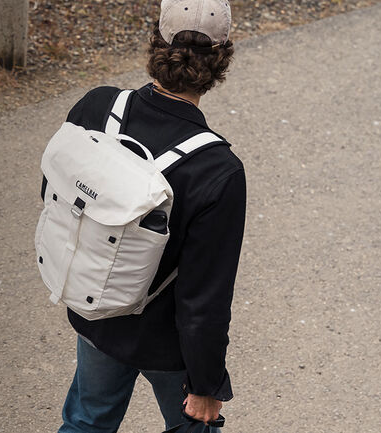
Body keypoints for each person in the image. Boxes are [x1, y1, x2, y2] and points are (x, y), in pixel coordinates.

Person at [54, 0, 243, 432]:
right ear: (220, 59)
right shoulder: (216, 168)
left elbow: (56, 195)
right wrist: (206, 384)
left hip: (95, 308)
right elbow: (204, 297)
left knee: (87, 421)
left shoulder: (98, 109)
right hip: (166, 343)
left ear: (155, 42)